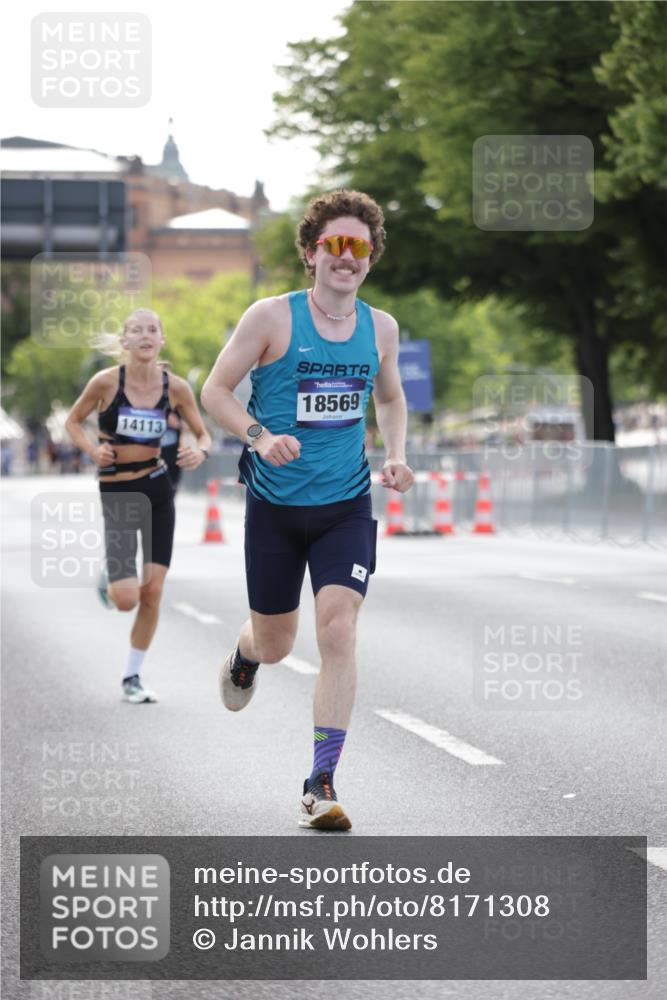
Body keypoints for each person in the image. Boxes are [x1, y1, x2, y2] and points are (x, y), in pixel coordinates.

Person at [201, 190, 414, 829]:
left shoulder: (381, 328)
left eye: (359, 246)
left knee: (338, 629)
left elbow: (390, 398)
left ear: (371, 256)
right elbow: (216, 390)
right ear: (311, 252)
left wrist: (397, 454)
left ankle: (320, 783)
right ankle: (246, 653)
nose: (348, 257)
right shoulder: (271, 317)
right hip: (275, 505)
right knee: (275, 643)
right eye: (335, 244)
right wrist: (259, 437)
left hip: (345, 505)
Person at [65, 308, 211, 703]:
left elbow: (203, 434)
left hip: (157, 488)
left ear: (161, 340)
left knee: (153, 591)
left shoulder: (175, 388)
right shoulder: (105, 382)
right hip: (118, 492)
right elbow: (73, 422)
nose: (145, 336)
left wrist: (199, 451)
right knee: (126, 599)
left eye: (152, 330)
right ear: (125, 342)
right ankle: (111, 578)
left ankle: (132, 676)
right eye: (137, 330)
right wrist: (93, 450)